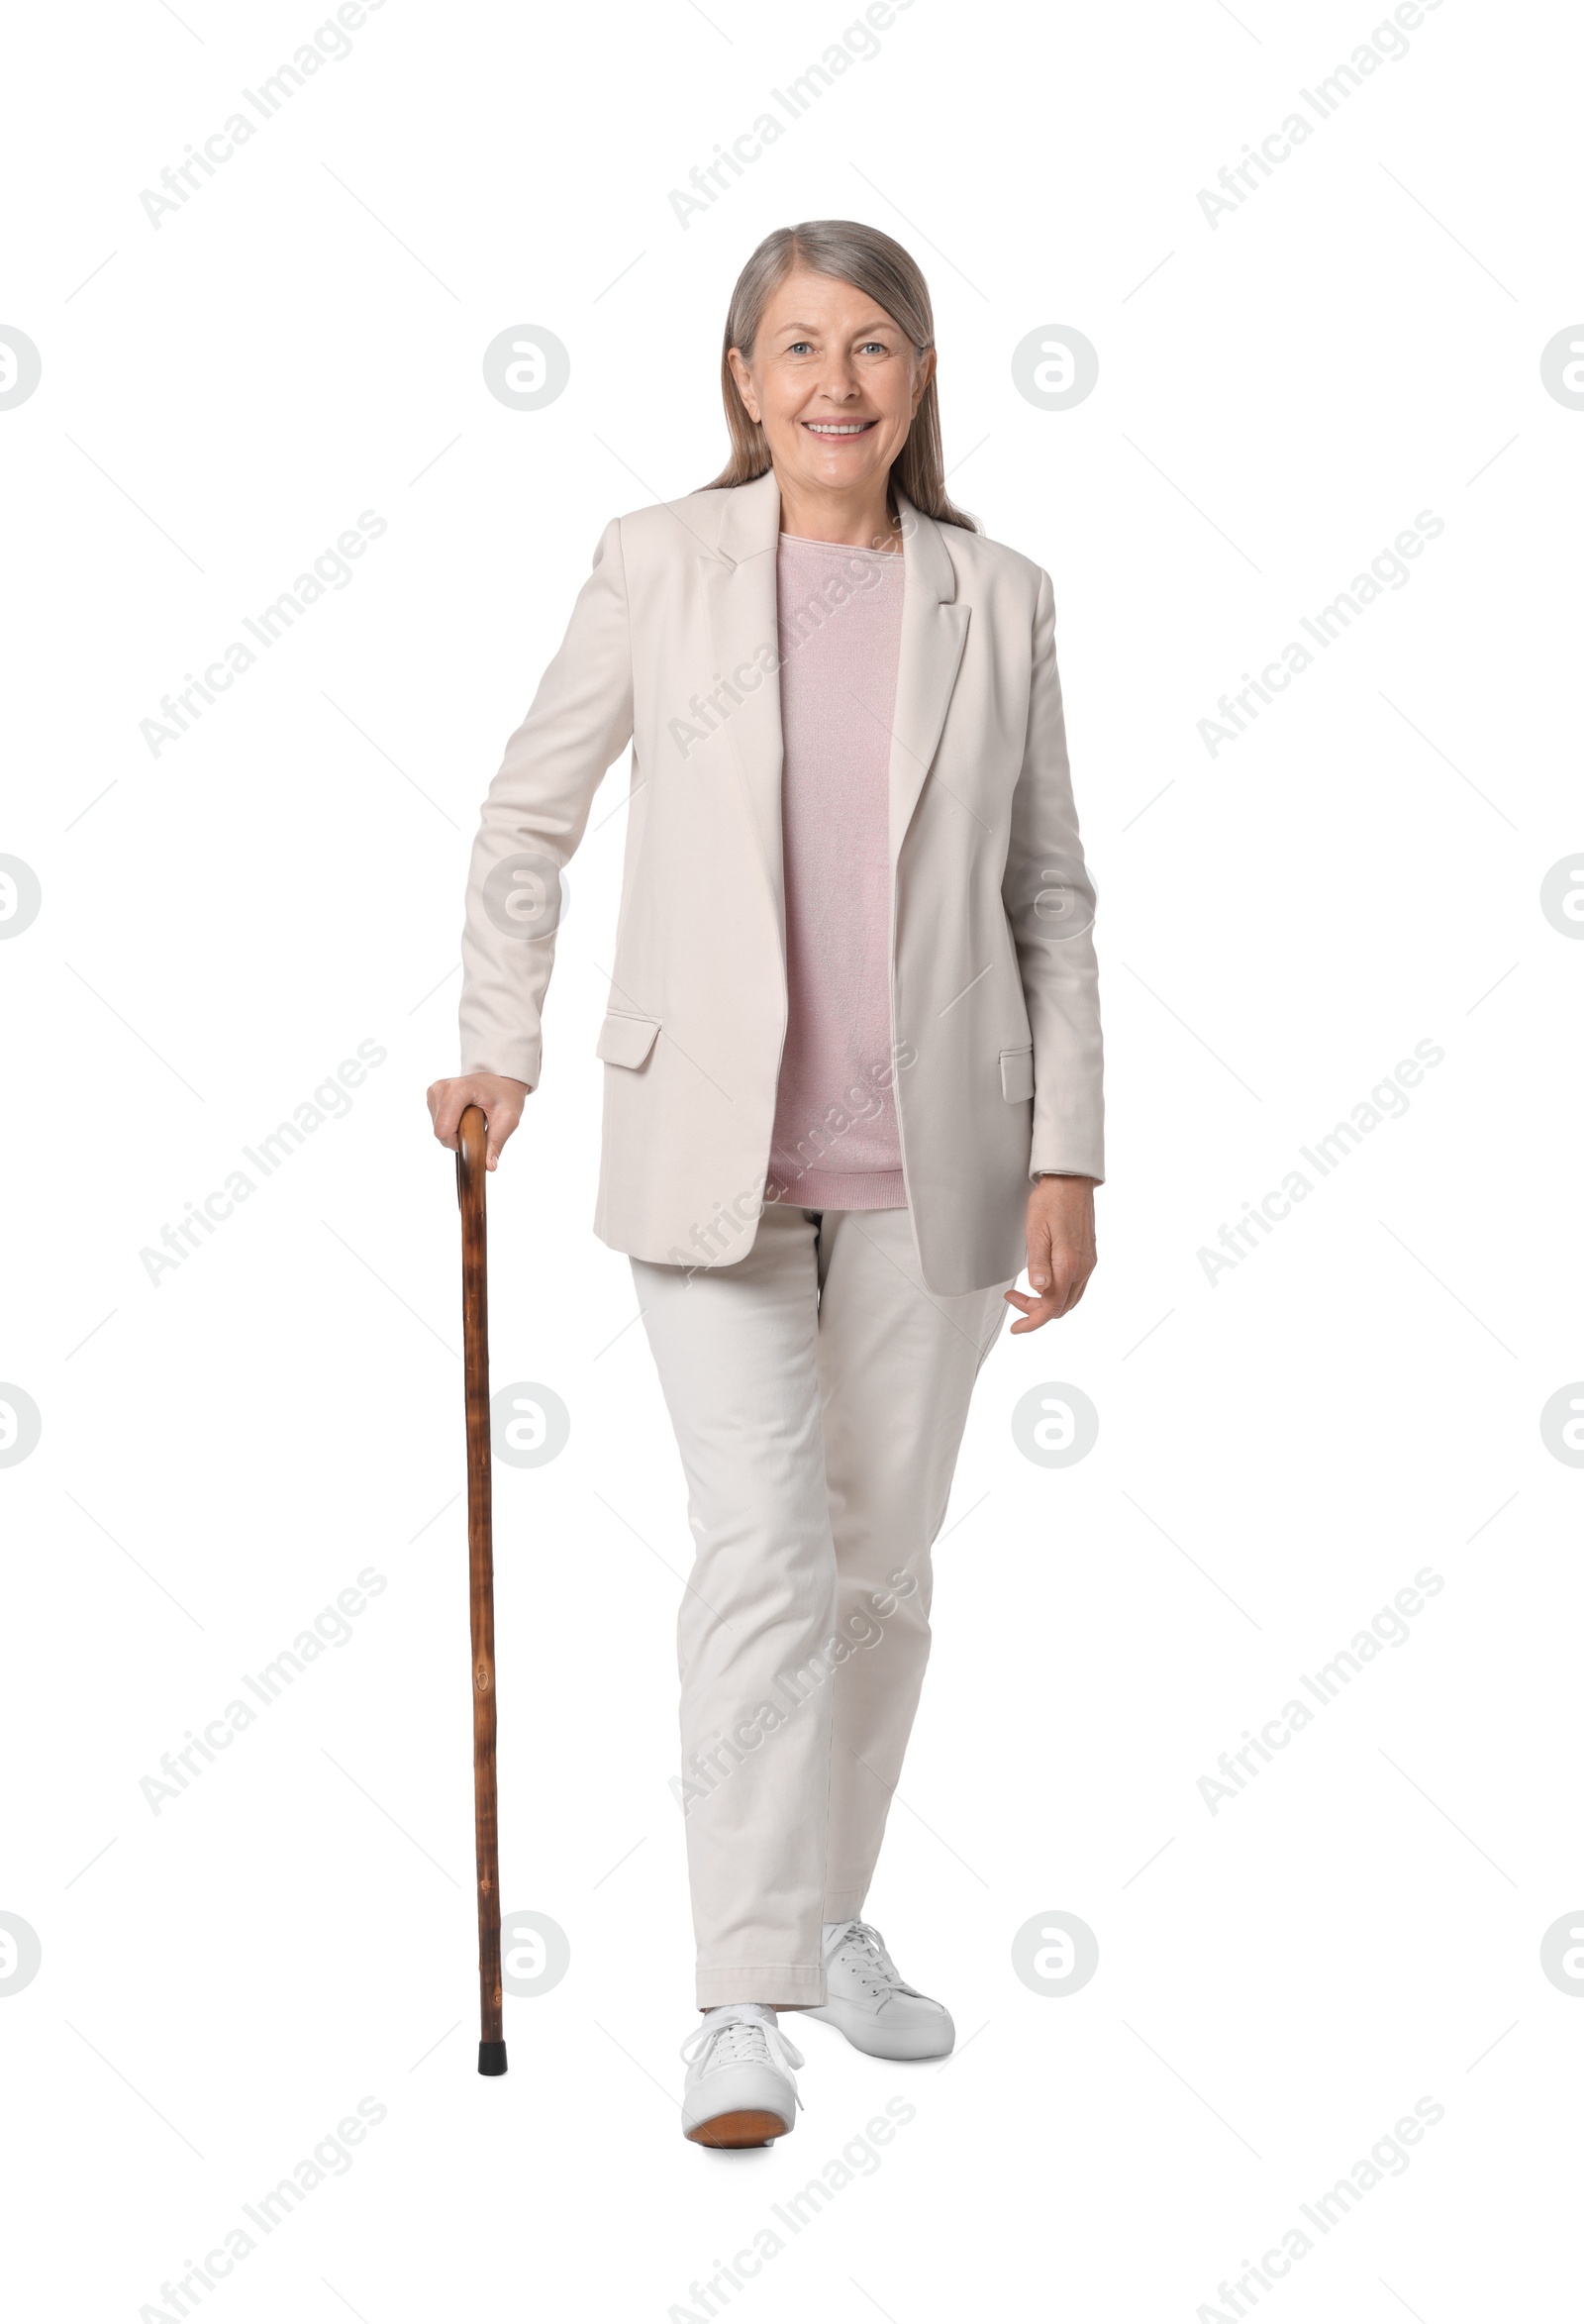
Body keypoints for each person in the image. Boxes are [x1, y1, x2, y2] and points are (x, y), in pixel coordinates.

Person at [427, 219, 1104, 2149]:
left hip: (937, 1167)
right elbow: (525, 812)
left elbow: (1044, 894)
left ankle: (823, 1920)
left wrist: (1067, 1145)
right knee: (763, 1556)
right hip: (706, 1155)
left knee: (880, 1572)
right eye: (796, 345)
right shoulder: (657, 567)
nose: (834, 382)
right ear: (741, 376)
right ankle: (735, 1995)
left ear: (917, 381)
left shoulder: (1000, 595)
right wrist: (499, 1042)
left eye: (872, 346)